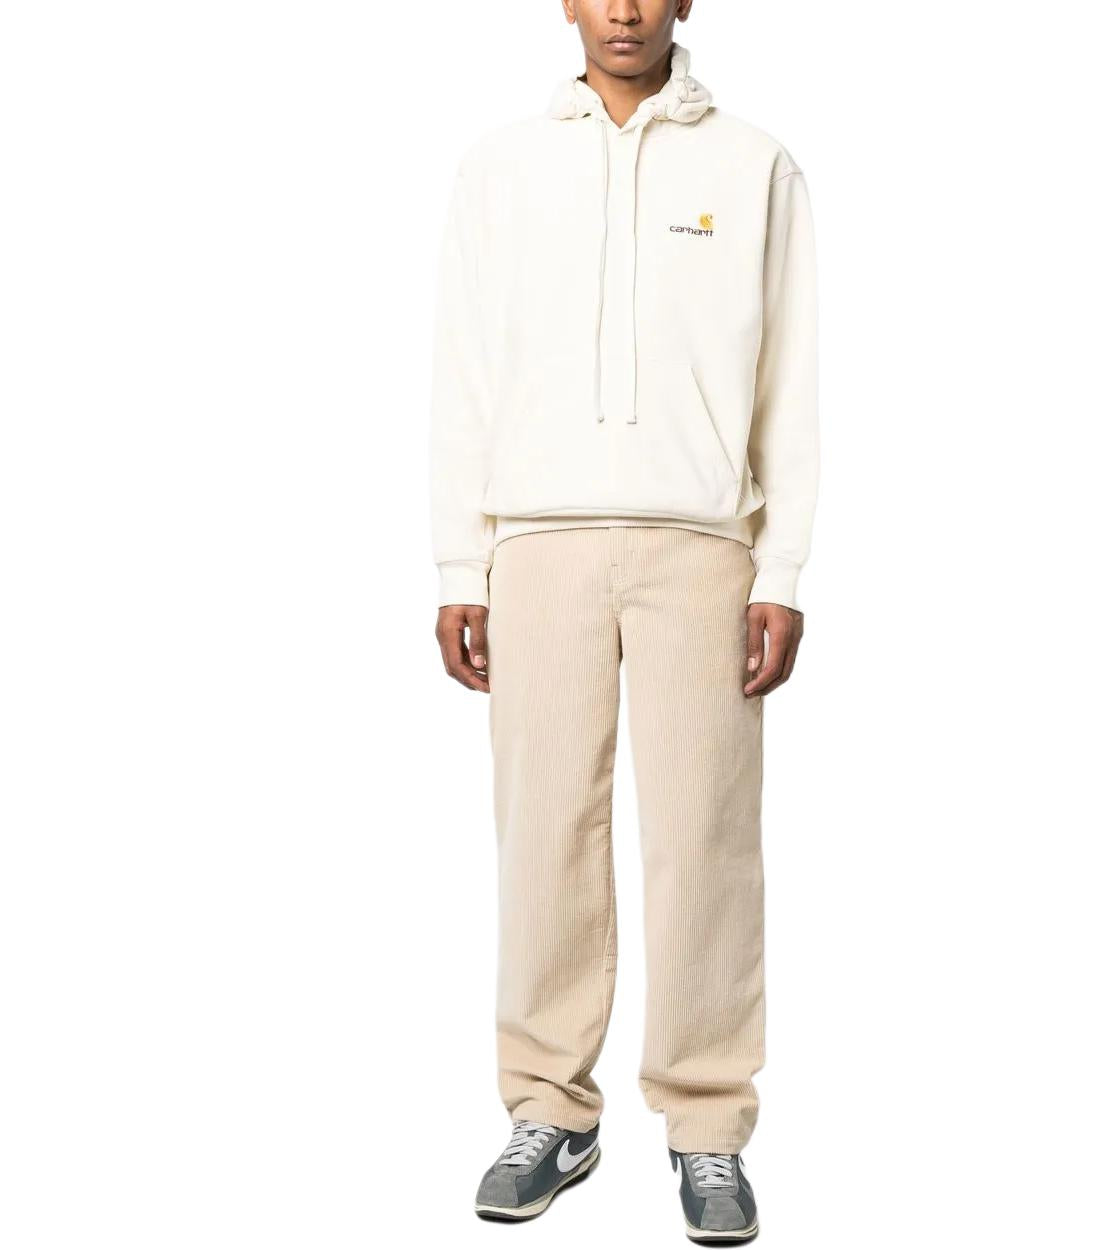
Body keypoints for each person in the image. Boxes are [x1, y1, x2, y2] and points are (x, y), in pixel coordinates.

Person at [430, 1, 818, 1241]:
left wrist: (781, 568)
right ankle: (550, 1106)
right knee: (543, 831)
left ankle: (706, 1123)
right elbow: (462, 372)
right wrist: (459, 558)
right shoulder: (499, 167)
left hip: (699, 546)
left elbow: (790, 380)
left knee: (704, 839)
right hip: (537, 545)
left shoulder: (753, 164)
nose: (624, 9)